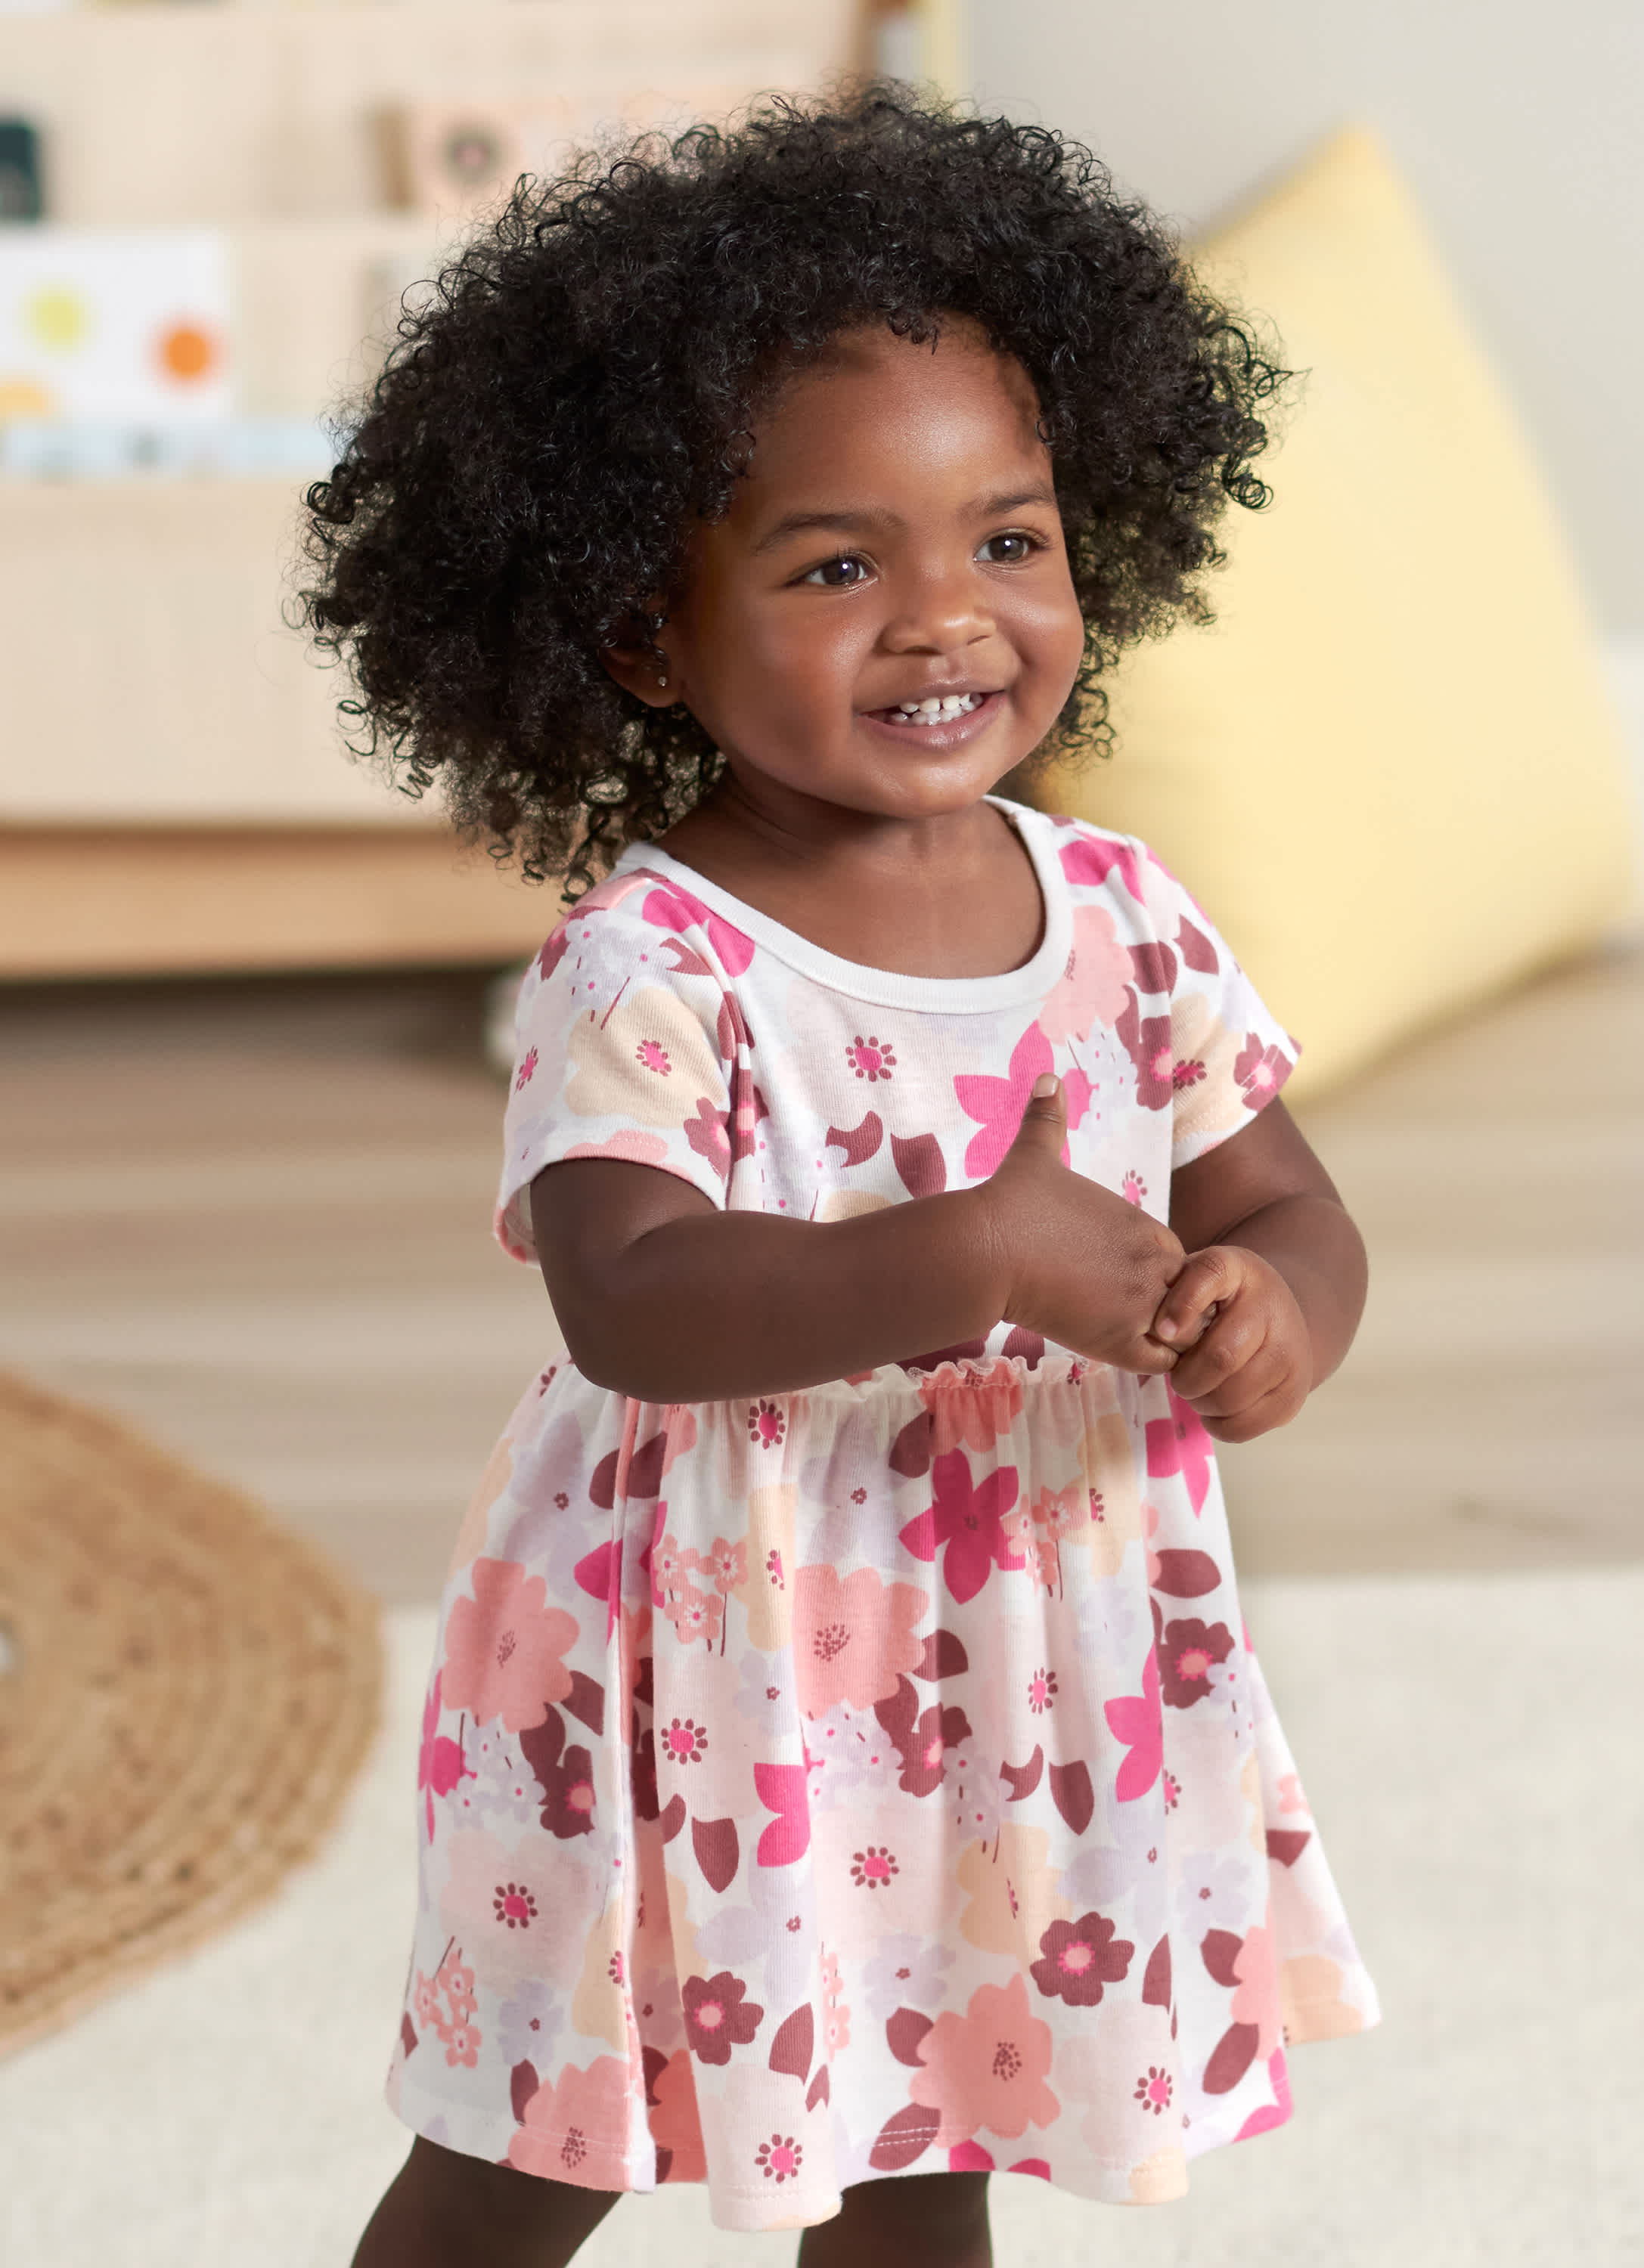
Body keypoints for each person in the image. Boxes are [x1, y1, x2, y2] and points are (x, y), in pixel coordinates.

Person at [303, 91, 1379, 2268]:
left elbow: (1287, 1201)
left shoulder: (1125, 916)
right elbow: (630, 1296)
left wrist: (1278, 1312)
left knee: (932, 2108)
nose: (945, 622)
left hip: (1011, 1644)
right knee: (544, 2132)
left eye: (1010, 541)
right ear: (642, 633)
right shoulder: (658, 962)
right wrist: (976, 1246)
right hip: (701, 1656)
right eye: (834, 567)